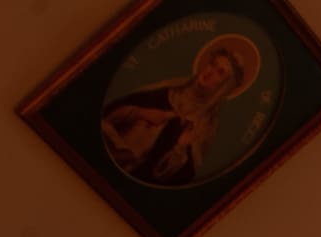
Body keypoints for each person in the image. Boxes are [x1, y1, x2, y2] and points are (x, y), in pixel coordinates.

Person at [100, 30, 264, 189]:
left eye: (220, 73)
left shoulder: (202, 128)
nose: (210, 72)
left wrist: (180, 147)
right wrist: (141, 113)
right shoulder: (167, 89)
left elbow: (172, 180)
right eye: (212, 64)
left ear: (223, 88)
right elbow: (107, 116)